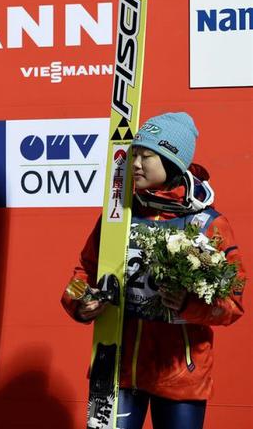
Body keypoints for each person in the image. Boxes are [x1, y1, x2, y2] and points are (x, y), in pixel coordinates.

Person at [61, 112, 245, 429]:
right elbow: (82, 274)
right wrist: (80, 302)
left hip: (179, 373)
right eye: (134, 155)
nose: (135, 164)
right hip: (116, 368)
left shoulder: (207, 223)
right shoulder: (117, 215)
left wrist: (189, 305)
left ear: (172, 161)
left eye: (147, 156)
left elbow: (233, 304)